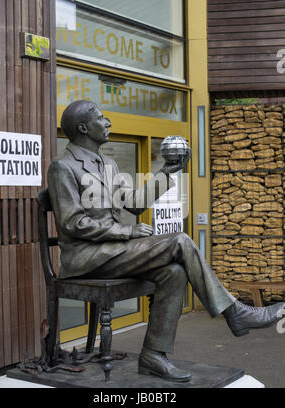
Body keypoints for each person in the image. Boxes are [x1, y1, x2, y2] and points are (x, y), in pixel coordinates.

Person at [47, 100, 285, 383]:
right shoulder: (62, 167)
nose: (108, 122)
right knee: (179, 241)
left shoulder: (107, 163)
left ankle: (153, 355)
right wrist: (127, 233)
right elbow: (72, 223)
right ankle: (235, 312)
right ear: (84, 127)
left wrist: (166, 171)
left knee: (174, 272)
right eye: (101, 118)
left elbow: (134, 204)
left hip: (111, 253)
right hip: (87, 259)